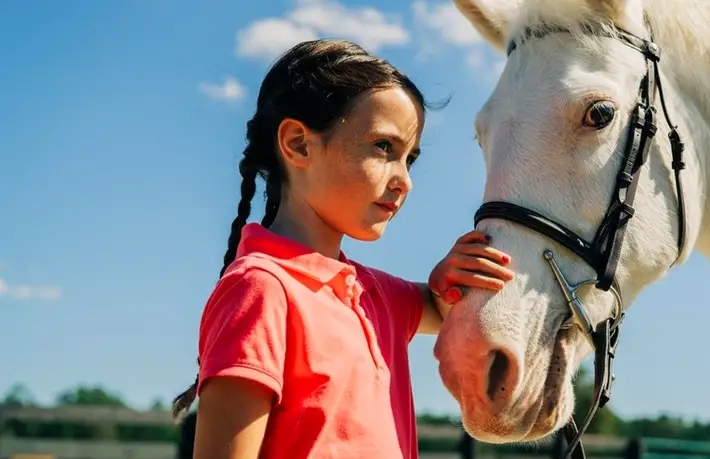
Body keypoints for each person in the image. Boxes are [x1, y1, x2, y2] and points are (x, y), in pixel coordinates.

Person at [169, 39, 515, 459]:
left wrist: (450, 277)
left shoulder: (377, 297)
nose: (404, 179)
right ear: (298, 143)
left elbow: (444, 307)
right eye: (383, 148)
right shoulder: (260, 290)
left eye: (411, 159)